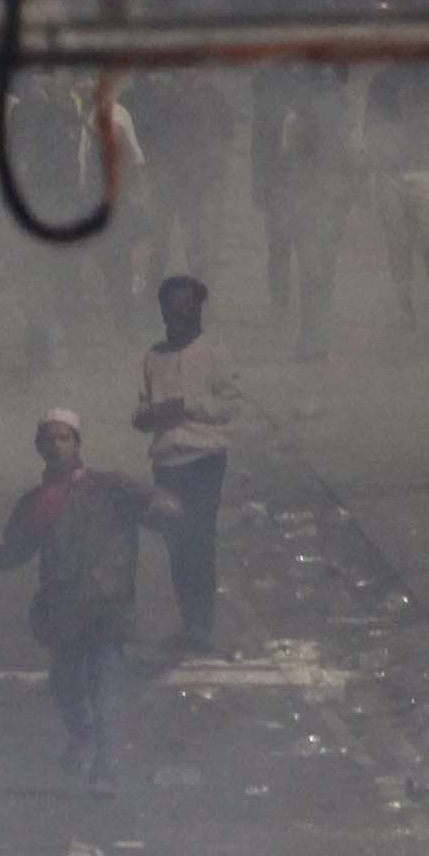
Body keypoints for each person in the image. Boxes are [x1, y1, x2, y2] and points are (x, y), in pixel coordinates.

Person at [0, 411, 157, 791]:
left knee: (105, 688)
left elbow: (158, 507)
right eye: (50, 439)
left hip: (108, 605)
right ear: (39, 446)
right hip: (65, 609)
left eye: (64, 438)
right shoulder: (37, 502)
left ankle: (104, 767)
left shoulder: (111, 487)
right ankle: (84, 735)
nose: (57, 446)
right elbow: (12, 553)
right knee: (66, 685)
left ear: (77, 442)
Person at [128, 273, 239, 650]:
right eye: (170, 306)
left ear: (198, 308)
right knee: (177, 540)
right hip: (167, 462)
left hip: (204, 458)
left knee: (198, 539)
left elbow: (229, 405)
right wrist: (148, 417)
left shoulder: (214, 351)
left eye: (185, 305)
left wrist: (187, 406)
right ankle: (190, 623)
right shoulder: (153, 356)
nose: (177, 313)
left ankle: (200, 627)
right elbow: (143, 408)